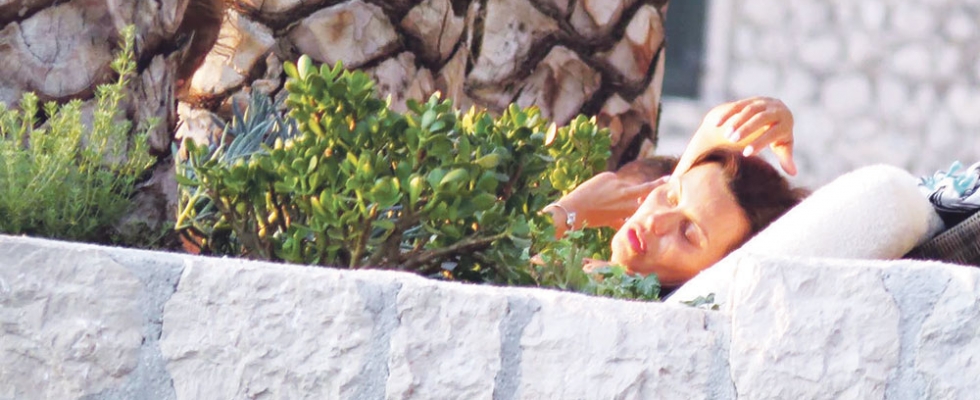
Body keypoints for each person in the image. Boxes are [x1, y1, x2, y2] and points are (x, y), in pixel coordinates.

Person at [542, 97, 808, 288]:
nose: (656, 221)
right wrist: (758, 116)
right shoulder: (603, 274)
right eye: (670, 198)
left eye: (688, 233)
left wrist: (568, 211)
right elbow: (707, 139)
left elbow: (511, 263)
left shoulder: (603, 290)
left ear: (713, 273)